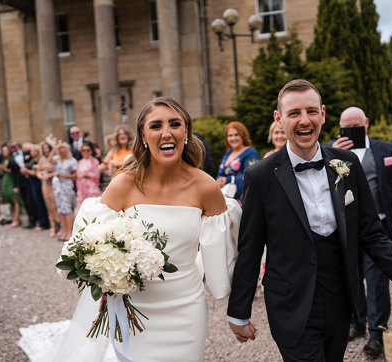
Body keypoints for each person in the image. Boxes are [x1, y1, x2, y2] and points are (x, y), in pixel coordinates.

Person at [17, 97, 240, 362]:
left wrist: (237, 309)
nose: (166, 133)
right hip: (132, 307)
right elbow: (89, 243)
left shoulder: (205, 187)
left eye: (175, 124)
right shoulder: (124, 183)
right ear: (143, 136)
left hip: (186, 308)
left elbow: (221, 255)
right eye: (156, 125)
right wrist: (105, 271)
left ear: (186, 133)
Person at [226, 79, 392, 361]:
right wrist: (239, 311)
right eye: (294, 113)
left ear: (323, 114)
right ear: (279, 119)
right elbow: (250, 248)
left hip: (340, 300)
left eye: (311, 111)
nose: (304, 120)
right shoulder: (260, 176)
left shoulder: (346, 164)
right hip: (290, 303)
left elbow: (371, 235)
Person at [325, 106, 392, 356]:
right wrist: (335, 154)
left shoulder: (385, 149)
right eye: (346, 127)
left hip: (378, 227)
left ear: (367, 124)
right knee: (350, 277)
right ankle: (355, 323)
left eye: (356, 126)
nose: (352, 131)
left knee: (376, 282)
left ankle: (376, 333)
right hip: (343, 229)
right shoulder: (328, 151)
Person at [216, 121, 260, 203]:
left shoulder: (250, 153)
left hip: (243, 199)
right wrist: (219, 181)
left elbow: (253, 176)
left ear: (243, 136)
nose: (233, 138)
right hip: (226, 198)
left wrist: (228, 179)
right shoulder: (228, 154)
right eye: (230, 136)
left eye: (236, 135)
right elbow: (220, 174)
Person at [51, 142, 77, 241]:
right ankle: (64, 230)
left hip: (67, 185)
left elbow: (75, 175)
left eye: (63, 149)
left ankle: (70, 232)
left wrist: (65, 176)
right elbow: (49, 161)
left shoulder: (72, 160)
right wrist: (53, 147)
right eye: (60, 149)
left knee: (67, 208)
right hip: (57, 186)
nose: (62, 151)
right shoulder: (56, 159)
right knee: (60, 209)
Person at [21, 145, 50, 231]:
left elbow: (36, 172)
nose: (32, 152)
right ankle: (40, 220)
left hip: (37, 183)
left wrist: (27, 171)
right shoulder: (31, 160)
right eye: (31, 151)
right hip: (31, 183)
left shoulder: (39, 160)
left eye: (34, 151)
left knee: (40, 202)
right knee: (35, 202)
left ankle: (44, 223)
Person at [0, 145, 26, 228]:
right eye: (3, 151)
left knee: (15, 199)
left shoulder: (13, 159)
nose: (4, 152)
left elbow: (15, 171)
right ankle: (15, 217)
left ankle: (16, 219)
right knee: (9, 199)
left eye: (5, 150)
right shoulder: (4, 160)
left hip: (12, 181)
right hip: (6, 180)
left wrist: (4, 169)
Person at [37, 142, 59, 238]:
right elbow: (38, 171)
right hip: (45, 184)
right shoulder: (41, 159)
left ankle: (60, 225)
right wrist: (41, 176)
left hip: (54, 183)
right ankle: (52, 226)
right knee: (49, 205)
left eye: (48, 148)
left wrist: (50, 175)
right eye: (44, 148)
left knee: (56, 205)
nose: (46, 150)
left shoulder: (55, 158)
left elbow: (58, 170)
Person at [75, 140, 101, 212]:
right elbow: (77, 176)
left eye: (88, 150)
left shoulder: (94, 161)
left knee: (93, 209)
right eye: (83, 150)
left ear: (91, 151)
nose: (85, 152)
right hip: (81, 189)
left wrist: (86, 175)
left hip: (91, 189)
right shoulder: (79, 162)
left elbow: (97, 175)